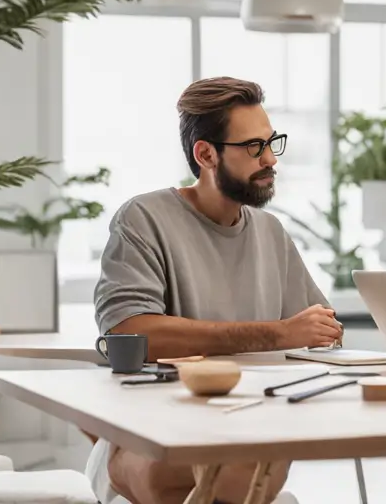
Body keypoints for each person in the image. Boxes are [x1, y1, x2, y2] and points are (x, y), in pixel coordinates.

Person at [88, 77, 339, 504]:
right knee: (204, 473)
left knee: (254, 464)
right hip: (153, 439)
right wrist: (276, 334)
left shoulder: (270, 232)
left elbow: (321, 329)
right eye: (254, 147)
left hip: (248, 430)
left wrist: (319, 331)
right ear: (205, 154)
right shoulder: (142, 218)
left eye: (272, 142)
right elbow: (128, 333)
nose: (271, 160)